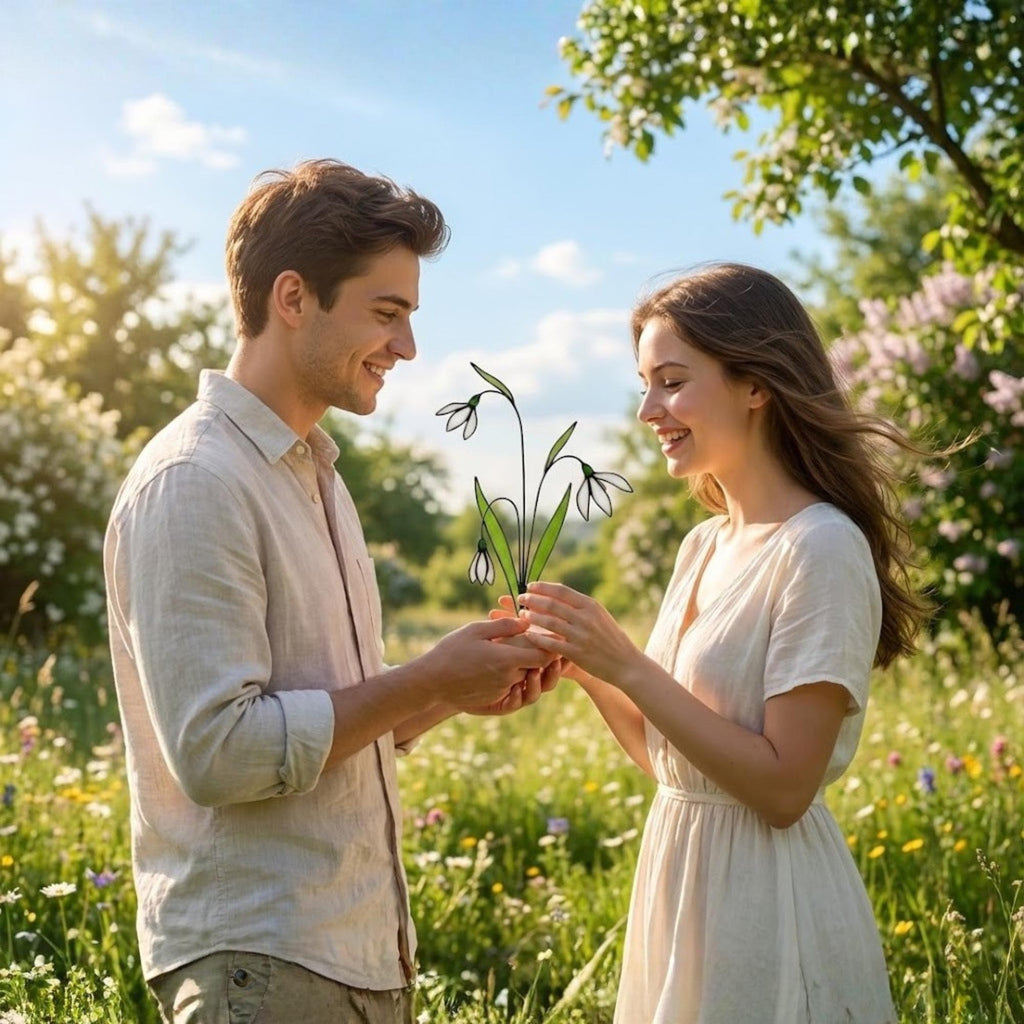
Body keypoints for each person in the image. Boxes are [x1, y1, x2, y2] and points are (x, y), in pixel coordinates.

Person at [103, 159, 557, 1024]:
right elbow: (220, 753)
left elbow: (321, 718)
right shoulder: (196, 479)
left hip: (352, 953)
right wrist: (423, 681)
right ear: (292, 297)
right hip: (260, 965)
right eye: (386, 313)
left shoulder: (319, 480)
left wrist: (455, 693)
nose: (408, 347)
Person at [516, 263, 922, 1023]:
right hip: (682, 891)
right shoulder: (702, 546)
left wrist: (630, 664)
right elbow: (678, 765)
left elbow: (781, 788)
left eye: (671, 381)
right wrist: (589, 669)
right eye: (645, 384)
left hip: (768, 909)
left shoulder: (821, 548)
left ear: (755, 384)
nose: (647, 410)